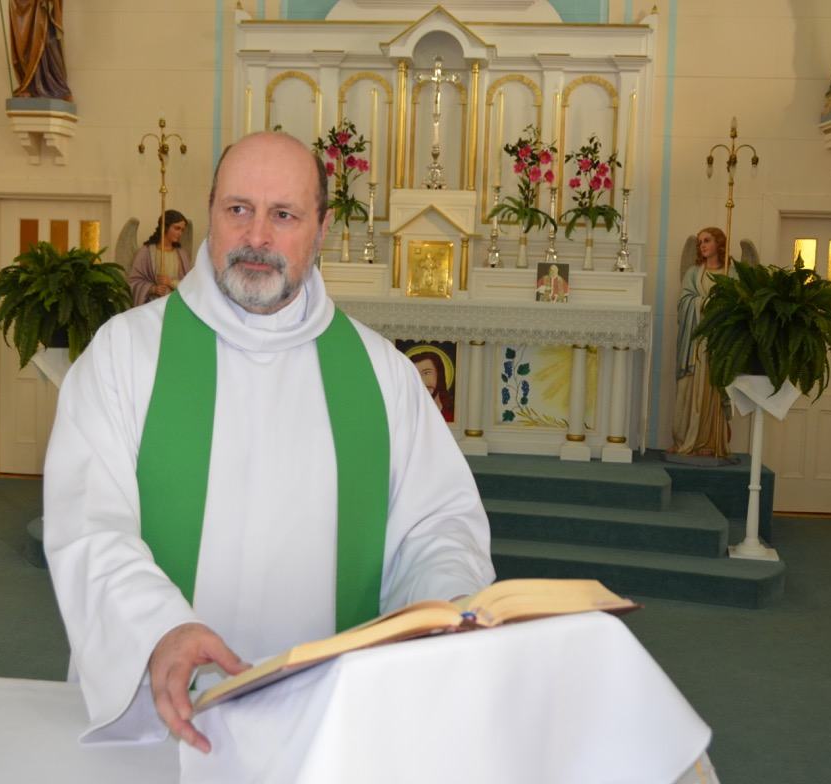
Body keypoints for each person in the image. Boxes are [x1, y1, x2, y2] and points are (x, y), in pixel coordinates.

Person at [43, 132, 495, 752]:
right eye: (238, 210)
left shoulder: (381, 374)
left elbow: (436, 526)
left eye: (283, 215)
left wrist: (443, 610)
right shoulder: (126, 356)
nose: (257, 237)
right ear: (210, 212)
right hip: (163, 711)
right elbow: (87, 524)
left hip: (332, 718)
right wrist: (158, 630)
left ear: (322, 227)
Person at [670, 227, 731, 459]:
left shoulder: (730, 273)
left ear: (719, 243)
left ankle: (709, 440)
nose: (703, 245)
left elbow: (737, 305)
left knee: (711, 391)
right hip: (694, 341)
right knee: (688, 389)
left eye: (707, 241)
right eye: (700, 242)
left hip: (716, 342)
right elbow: (683, 302)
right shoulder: (694, 273)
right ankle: (684, 438)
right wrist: (703, 304)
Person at [9, 0, 72, 101]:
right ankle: (30, 86)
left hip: (42, 6)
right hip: (24, 4)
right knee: (28, 42)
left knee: (48, 41)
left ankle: (57, 86)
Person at [128, 210, 192, 306]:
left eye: (182, 230)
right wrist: (152, 289)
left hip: (175, 304)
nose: (180, 233)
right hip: (152, 306)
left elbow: (190, 285)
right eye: (177, 228)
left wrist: (171, 282)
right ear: (165, 227)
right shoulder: (146, 253)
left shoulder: (182, 255)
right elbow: (134, 282)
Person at [408, 347, 455, 422]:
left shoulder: (452, 415)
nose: (421, 381)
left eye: (427, 373)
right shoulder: (407, 413)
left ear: (439, 375)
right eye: (415, 374)